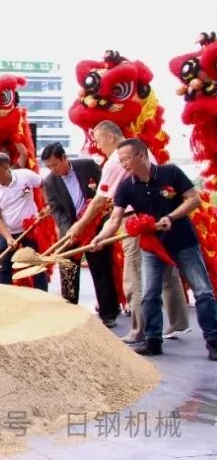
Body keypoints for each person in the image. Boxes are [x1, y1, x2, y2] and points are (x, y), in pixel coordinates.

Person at [92, 138, 217, 360]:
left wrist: (171, 217)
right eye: (121, 160)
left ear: (142, 155)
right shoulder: (126, 186)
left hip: (183, 241)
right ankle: (153, 341)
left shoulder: (171, 172)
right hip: (152, 244)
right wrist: (100, 238)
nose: (124, 164)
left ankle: (213, 340)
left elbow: (193, 199)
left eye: (126, 159)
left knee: (203, 291)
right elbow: (115, 219)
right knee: (149, 294)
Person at [69, 121, 189, 343]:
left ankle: (139, 329)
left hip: (134, 220)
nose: (97, 145)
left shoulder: (116, 160)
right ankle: (179, 322)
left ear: (111, 137)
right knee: (165, 269)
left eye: (99, 140)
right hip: (155, 216)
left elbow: (100, 201)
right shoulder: (142, 151)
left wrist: (81, 224)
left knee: (133, 274)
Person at [41, 142, 118, 326]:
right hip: (71, 230)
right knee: (68, 269)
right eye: (49, 167)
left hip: (96, 225)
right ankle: (70, 311)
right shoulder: (50, 181)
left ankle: (108, 313)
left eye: (55, 165)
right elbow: (56, 210)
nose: (53, 170)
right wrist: (70, 231)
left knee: (101, 269)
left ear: (64, 158)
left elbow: (106, 190)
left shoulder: (87, 166)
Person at [0, 152, 48, 290]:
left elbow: (44, 184)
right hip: (8, 233)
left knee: (37, 266)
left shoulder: (25, 176)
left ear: (6, 166)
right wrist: (8, 238)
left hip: (30, 230)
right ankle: (5, 297)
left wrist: (47, 204)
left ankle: (42, 296)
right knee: (4, 268)